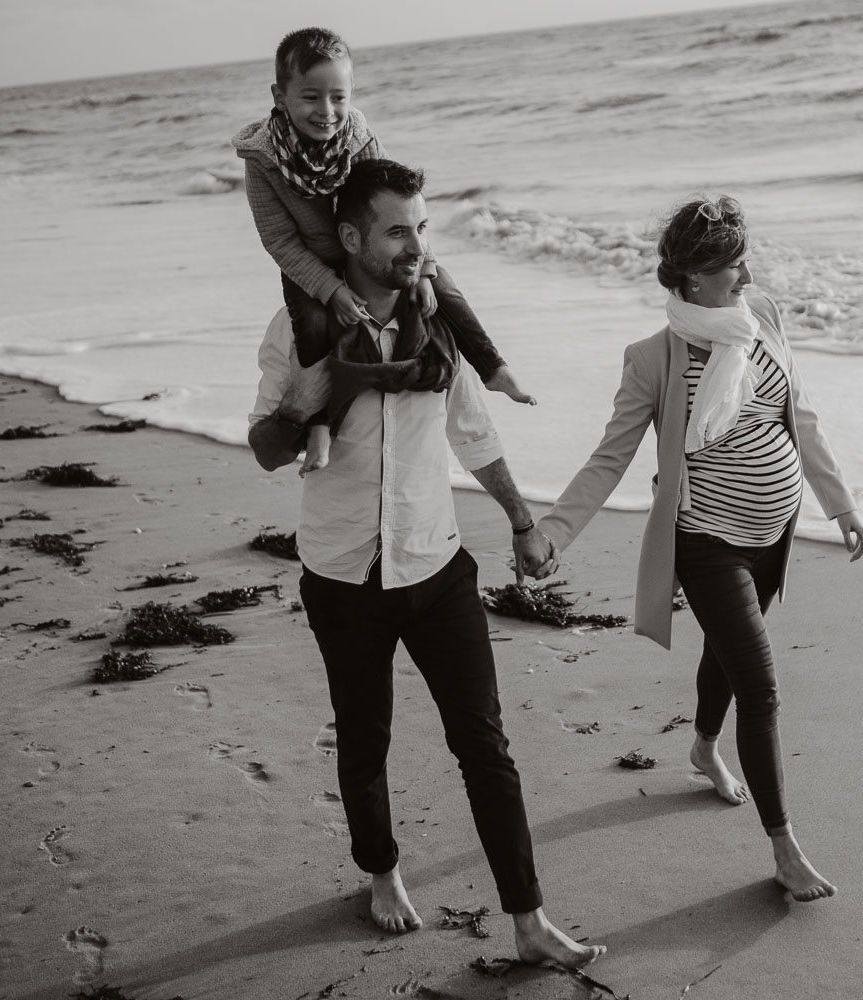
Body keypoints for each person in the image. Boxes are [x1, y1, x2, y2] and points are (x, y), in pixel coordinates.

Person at [248, 157, 603, 967]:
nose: (417, 245)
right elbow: (266, 449)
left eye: (423, 226)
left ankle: (530, 920)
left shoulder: (434, 321)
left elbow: (474, 436)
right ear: (351, 237)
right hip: (341, 574)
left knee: (485, 745)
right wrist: (305, 400)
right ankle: (381, 873)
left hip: (436, 567)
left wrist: (521, 520)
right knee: (365, 738)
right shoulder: (297, 333)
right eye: (399, 229)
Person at [537, 195, 863, 903]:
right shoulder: (653, 360)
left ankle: (702, 747)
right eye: (727, 266)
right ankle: (784, 849)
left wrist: (838, 502)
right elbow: (611, 455)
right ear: (689, 278)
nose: (744, 276)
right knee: (761, 684)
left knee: (727, 650)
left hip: (774, 531)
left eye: (745, 259)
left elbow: (800, 416)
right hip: (706, 539)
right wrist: (554, 533)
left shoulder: (763, 318)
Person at [235, 27, 533, 475]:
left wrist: (425, 271)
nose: (327, 111)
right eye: (311, 97)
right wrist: (329, 287)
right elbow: (279, 240)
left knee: (444, 289)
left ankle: (493, 367)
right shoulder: (262, 159)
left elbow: (396, 201)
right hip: (309, 263)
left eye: (338, 97)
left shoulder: (357, 134)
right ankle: (318, 425)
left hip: (366, 249)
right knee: (313, 327)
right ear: (280, 96)